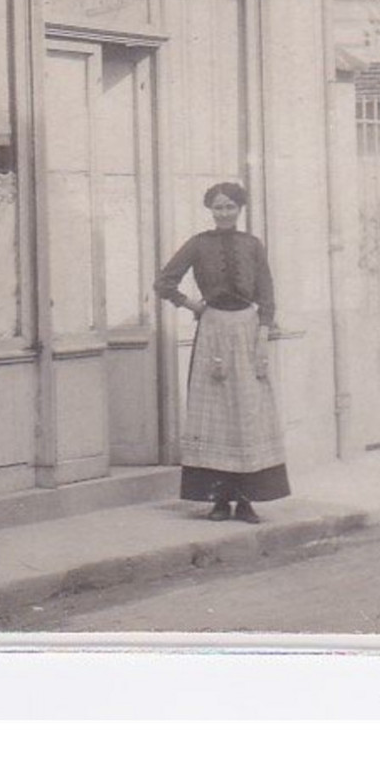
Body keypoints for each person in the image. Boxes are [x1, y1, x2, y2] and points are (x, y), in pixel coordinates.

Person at [155, 181, 289, 524]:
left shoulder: (252, 245)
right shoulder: (199, 244)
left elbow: (268, 294)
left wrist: (263, 334)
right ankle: (218, 501)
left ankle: (246, 501)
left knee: (247, 413)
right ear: (210, 210)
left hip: (247, 329)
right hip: (213, 330)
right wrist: (192, 305)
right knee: (214, 416)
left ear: (239, 210)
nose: (224, 212)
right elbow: (164, 282)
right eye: (218, 207)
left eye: (230, 206)